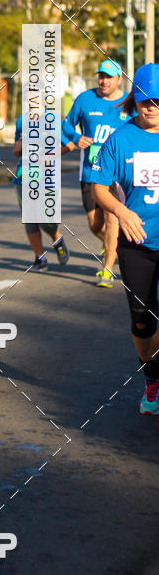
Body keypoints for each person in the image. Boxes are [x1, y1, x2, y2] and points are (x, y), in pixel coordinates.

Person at [91, 63, 159, 415]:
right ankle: (152, 375)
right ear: (135, 100)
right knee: (143, 321)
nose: (151, 107)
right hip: (137, 243)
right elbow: (98, 187)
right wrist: (121, 211)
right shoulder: (121, 138)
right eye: (145, 100)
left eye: (158, 101)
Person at [62, 60, 131, 287]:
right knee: (94, 224)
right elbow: (67, 124)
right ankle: (114, 247)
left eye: (109, 77)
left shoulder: (128, 103)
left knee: (112, 218)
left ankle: (108, 270)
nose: (104, 81)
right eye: (101, 76)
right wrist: (76, 138)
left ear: (119, 78)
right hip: (90, 172)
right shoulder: (85, 99)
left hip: (116, 174)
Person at [12, 114, 70, 270]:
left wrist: (47, 158)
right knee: (30, 219)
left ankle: (57, 238)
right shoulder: (21, 120)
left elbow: (69, 145)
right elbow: (17, 149)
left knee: (46, 220)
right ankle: (40, 257)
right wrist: (17, 150)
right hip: (23, 176)